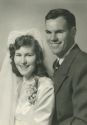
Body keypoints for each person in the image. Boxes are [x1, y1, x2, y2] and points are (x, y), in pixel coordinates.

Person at [0, 29, 54, 125]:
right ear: (13, 57)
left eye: (28, 55)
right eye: (18, 55)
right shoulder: (15, 84)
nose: (23, 61)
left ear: (37, 58)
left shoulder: (45, 85)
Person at [45, 8, 87, 125]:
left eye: (59, 32)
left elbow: (82, 121)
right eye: (48, 32)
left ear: (73, 32)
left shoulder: (83, 64)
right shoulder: (57, 63)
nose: (52, 38)